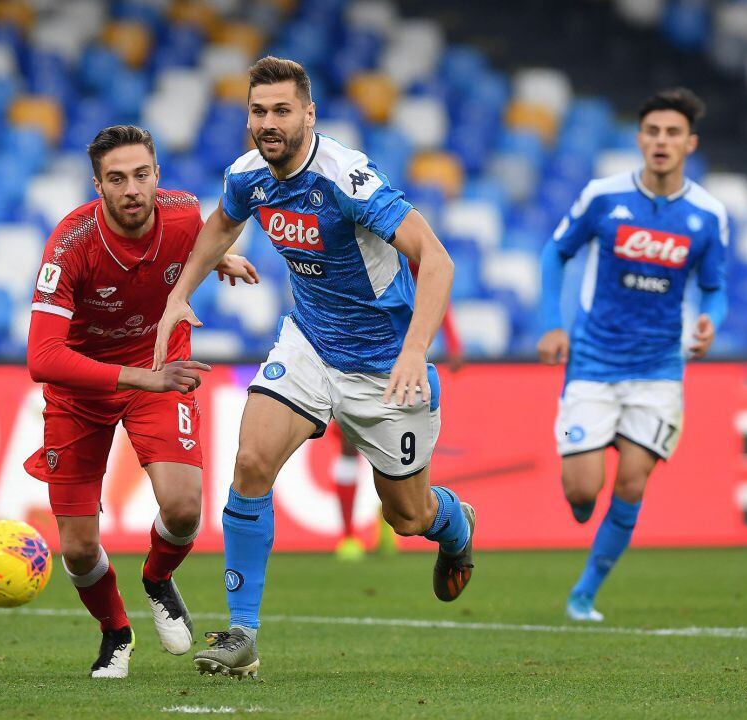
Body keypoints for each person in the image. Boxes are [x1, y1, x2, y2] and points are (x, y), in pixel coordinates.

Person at [152, 56, 477, 678]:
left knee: (407, 517)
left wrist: (413, 349)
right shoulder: (249, 174)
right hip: (307, 345)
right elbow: (220, 224)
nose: (267, 123)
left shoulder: (348, 179)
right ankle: (242, 633)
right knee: (250, 463)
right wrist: (179, 294)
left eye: (281, 110)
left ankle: (454, 523)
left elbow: (436, 260)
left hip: (384, 364)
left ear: (308, 114)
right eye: (257, 111)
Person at [24, 125, 258, 678]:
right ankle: (115, 634)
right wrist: (138, 379)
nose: (132, 189)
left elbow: (202, 237)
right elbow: (41, 357)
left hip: (161, 362)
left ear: (157, 174)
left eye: (141, 175)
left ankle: (156, 578)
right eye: (117, 178)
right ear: (97, 185)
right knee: (79, 548)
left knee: (183, 508)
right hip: (85, 389)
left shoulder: (181, 213)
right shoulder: (70, 244)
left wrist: (215, 259)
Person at [536, 88, 728, 622]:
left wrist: (714, 322)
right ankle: (583, 495)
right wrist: (552, 324)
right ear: (639, 138)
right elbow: (556, 252)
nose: (661, 141)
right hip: (594, 363)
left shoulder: (708, 215)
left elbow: (716, 288)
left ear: (690, 142)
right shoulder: (603, 196)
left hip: (659, 369)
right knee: (582, 491)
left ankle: (585, 594)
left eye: (672, 133)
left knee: (633, 480)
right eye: (652, 131)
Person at [333, 296, 463, 561]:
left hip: (394, 358)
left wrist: (451, 339)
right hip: (347, 355)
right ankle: (347, 536)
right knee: (350, 445)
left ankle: (386, 511)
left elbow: (432, 271)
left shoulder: (400, 254)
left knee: (395, 447)